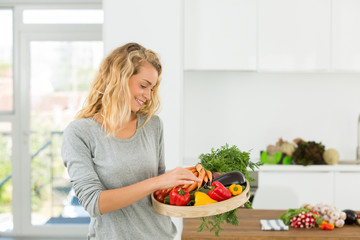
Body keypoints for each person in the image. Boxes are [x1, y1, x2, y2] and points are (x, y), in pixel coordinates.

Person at [61, 42, 201, 240]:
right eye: (143, 86)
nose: (148, 95)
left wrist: (195, 180)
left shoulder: (152, 125)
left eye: (151, 88)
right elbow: (94, 202)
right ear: (119, 78)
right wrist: (157, 181)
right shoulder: (80, 133)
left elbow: (159, 191)